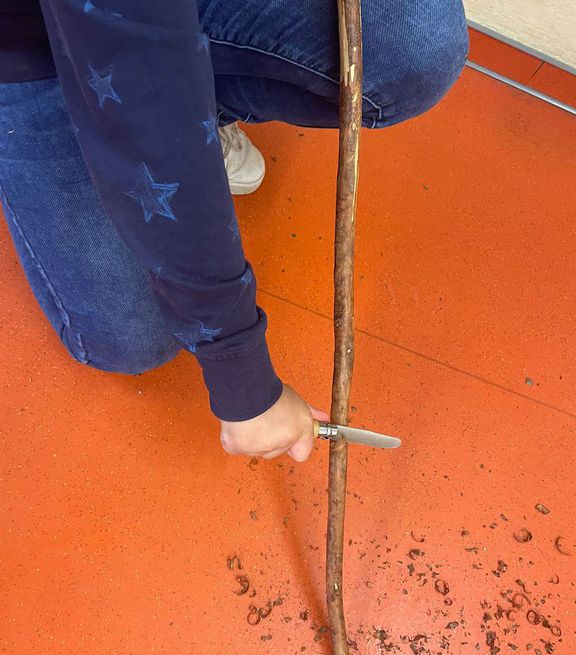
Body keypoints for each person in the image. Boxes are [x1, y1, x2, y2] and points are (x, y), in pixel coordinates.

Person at [0, 0, 468, 461]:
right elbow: (138, 77)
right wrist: (243, 380)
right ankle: (183, 132)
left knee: (414, 45)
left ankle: (199, 115)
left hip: (150, 23)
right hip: (28, 47)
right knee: (136, 339)